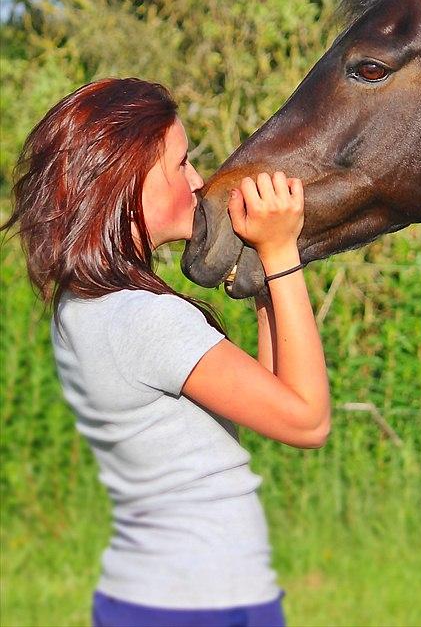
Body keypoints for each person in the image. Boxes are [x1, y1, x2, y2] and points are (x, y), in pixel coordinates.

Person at [2, 77, 329, 627]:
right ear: (127, 182)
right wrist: (282, 251)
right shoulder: (144, 320)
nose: (198, 181)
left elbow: (275, 401)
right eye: (180, 165)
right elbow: (306, 421)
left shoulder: (84, 306)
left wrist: (263, 273)